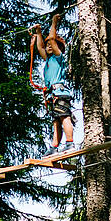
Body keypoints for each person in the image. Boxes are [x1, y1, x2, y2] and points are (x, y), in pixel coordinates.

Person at [30, 12, 76, 151]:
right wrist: (38, 33)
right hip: (52, 95)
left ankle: (70, 143)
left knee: (64, 117)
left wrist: (54, 23)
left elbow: (50, 39)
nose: (49, 46)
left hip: (60, 92)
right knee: (56, 121)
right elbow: (40, 48)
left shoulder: (58, 57)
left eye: (52, 45)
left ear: (58, 47)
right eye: (48, 45)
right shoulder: (49, 59)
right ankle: (54, 147)